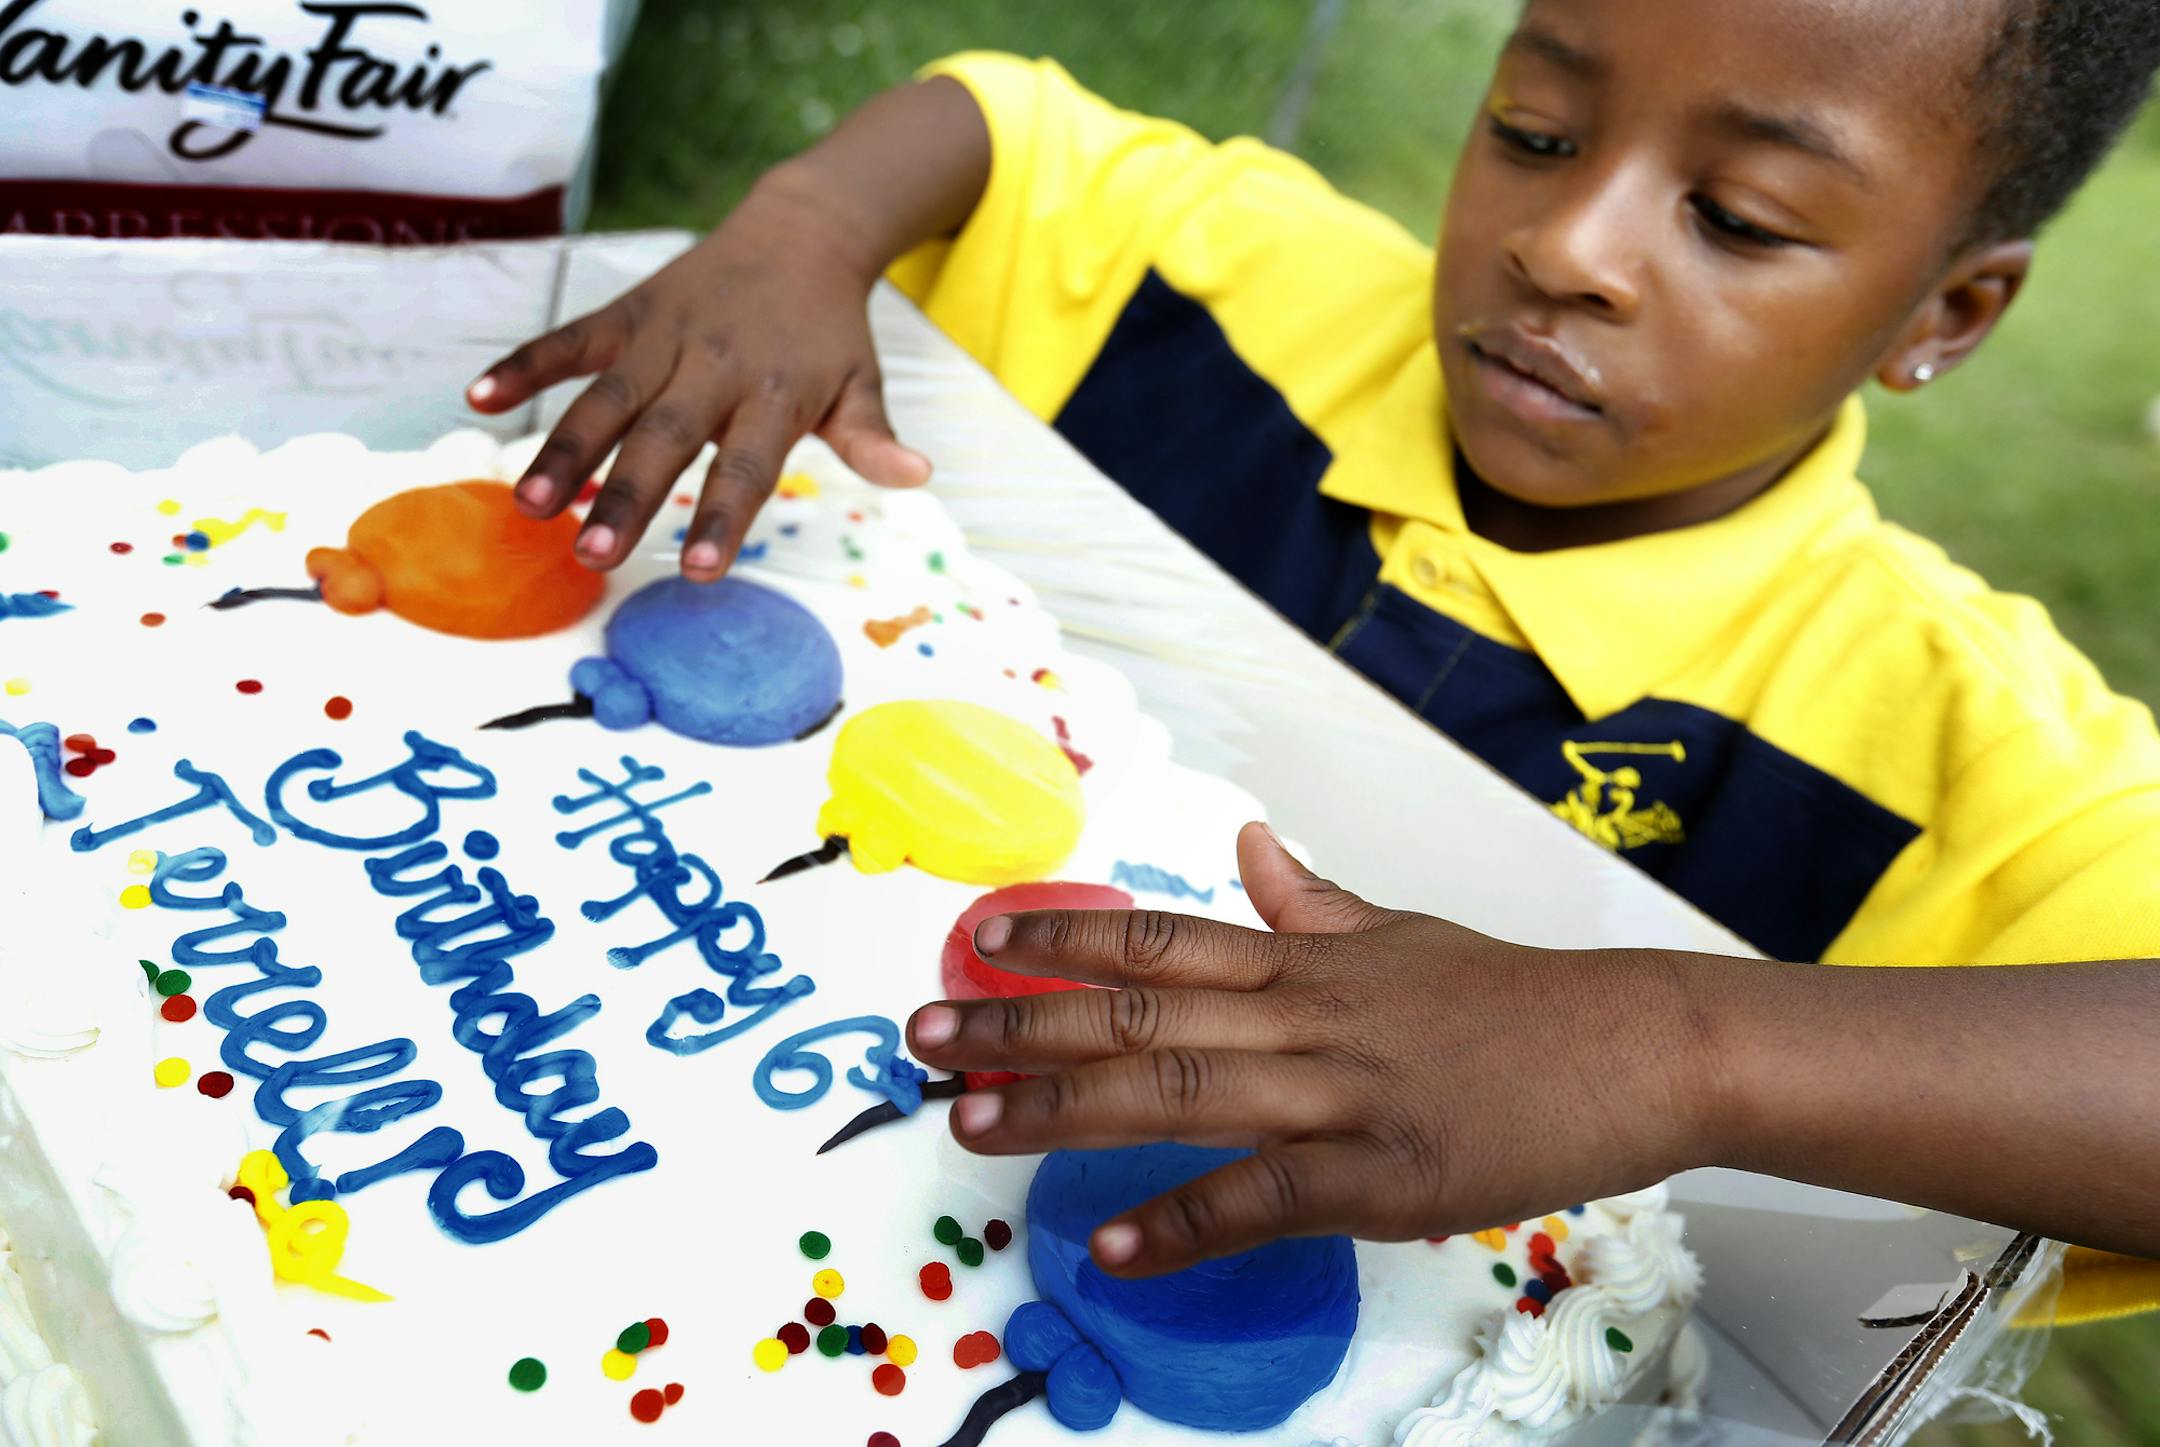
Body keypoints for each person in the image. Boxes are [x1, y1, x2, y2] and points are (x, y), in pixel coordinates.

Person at [466, 0, 2160, 1314]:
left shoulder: (1946, 758)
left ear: (1945, 314)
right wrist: (805, 232)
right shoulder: (1245, 290)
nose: (1564, 249)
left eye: (1736, 216)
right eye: (1536, 128)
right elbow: (1000, 122)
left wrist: (1670, 1046)